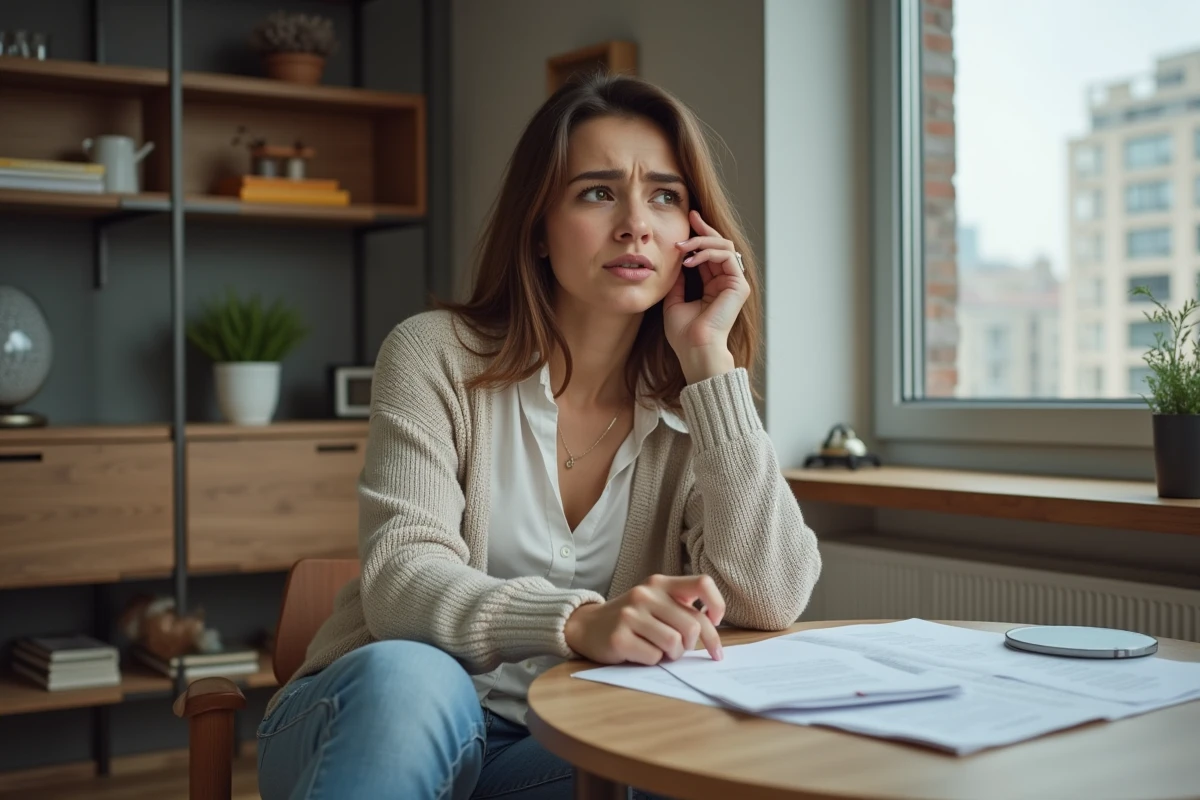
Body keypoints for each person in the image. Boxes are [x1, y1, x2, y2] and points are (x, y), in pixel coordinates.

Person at [256, 72, 822, 800]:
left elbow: (771, 598)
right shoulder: (436, 356)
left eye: (665, 196)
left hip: (550, 750)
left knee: (681, 771)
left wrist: (712, 366)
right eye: (597, 192)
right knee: (414, 677)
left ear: (693, 231)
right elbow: (401, 581)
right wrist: (582, 621)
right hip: (370, 722)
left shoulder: (693, 412)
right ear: (539, 229)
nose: (635, 225)